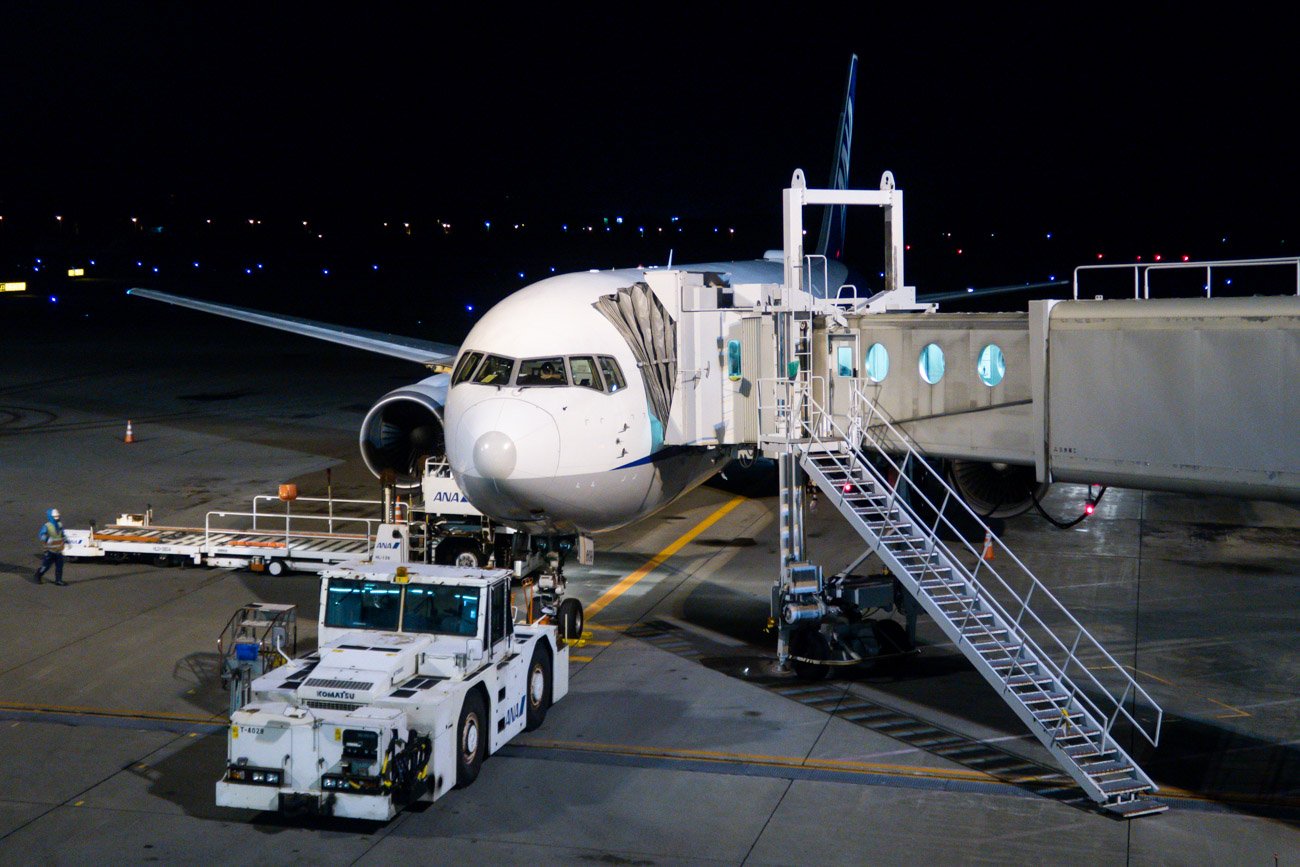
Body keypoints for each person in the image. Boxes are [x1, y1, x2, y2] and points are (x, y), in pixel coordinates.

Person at [35, 508, 67, 585]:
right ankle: (38, 575)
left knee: (59, 566)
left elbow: (62, 533)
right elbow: (41, 535)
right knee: (46, 566)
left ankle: (58, 580)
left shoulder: (60, 524)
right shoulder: (47, 526)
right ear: (51, 517)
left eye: (58, 516)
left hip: (59, 550)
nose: (57, 518)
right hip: (50, 551)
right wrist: (47, 539)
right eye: (55, 517)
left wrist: (65, 539)